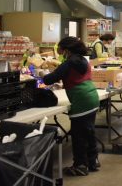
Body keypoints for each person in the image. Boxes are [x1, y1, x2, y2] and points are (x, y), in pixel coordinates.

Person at [43, 36, 100, 176]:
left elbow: (48, 79)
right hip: (92, 96)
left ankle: (80, 165)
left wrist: (41, 75)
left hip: (81, 99)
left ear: (67, 50)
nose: (59, 51)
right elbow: (73, 77)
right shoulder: (83, 60)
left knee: (79, 135)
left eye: (60, 49)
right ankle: (93, 161)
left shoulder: (68, 63)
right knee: (89, 132)